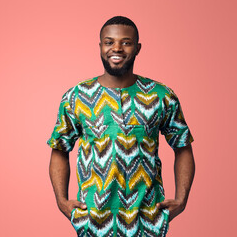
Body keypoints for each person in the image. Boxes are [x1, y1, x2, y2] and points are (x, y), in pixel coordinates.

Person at [47, 16, 195, 237]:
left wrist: (182, 199)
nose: (116, 48)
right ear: (100, 47)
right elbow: (59, 148)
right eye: (109, 42)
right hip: (93, 221)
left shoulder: (161, 95)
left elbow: (183, 147)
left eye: (126, 42)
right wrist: (61, 201)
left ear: (137, 48)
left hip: (148, 220)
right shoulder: (76, 96)